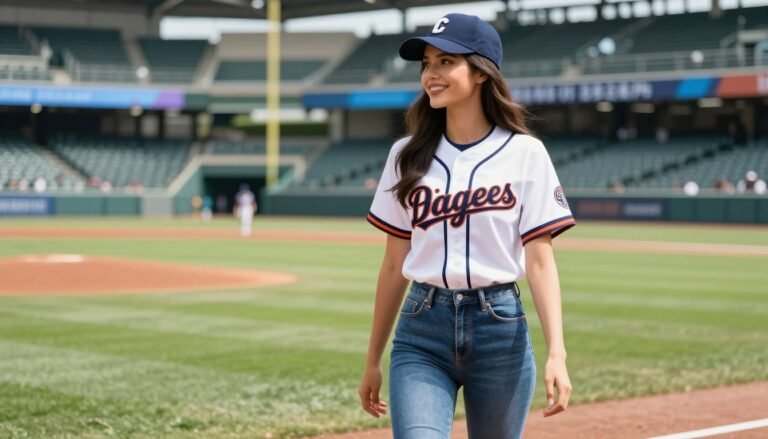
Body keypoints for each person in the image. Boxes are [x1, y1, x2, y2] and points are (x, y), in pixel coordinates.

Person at [358, 14, 575, 439]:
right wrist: (372, 359)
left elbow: (541, 263)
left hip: (500, 329)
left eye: (445, 62)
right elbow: (392, 265)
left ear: (480, 72)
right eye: (426, 63)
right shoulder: (405, 155)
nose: (430, 74)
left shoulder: (525, 153)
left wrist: (558, 354)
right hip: (422, 327)